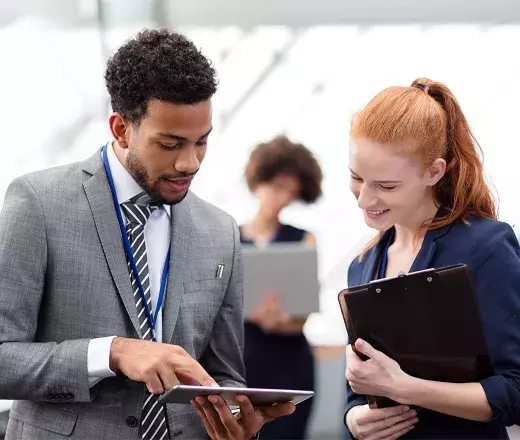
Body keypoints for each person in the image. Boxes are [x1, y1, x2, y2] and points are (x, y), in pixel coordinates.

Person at [0, 29, 293, 440]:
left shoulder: (220, 230)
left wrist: (237, 417)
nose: (190, 163)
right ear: (121, 129)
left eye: (201, 142)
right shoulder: (38, 203)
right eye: (170, 144)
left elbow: (225, 374)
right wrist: (114, 353)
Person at [343, 77, 520, 439]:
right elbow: (359, 396)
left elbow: (515, 392)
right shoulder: (362, 266)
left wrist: (403, 388)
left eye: (386, 186)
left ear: (433, 172)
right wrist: (354, 420)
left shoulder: (486, 248)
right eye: (357, 178)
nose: (364, 199)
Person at [240, 135, 323, 439]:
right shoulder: (229, 238)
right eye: (277, 187)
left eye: (291, 192)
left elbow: (303, 312)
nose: (283, 198)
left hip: (290, 363)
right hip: (243, 361)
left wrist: (276, 319)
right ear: (259, 182)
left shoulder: (304, 239)